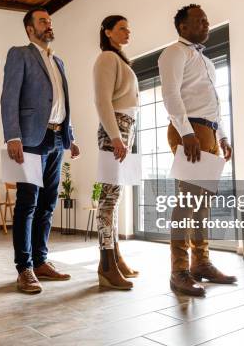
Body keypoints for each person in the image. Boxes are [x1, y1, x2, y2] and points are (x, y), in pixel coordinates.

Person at [158, 4, 237, 297]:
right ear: (183, 27)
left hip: (210, 132)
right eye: (200, 20)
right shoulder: (174, 53)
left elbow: (215, 103)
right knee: (187, 202)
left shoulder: (206, 61)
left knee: (203, 204)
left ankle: (201, 263)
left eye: (207, 20)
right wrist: (186, 132)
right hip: (189, 131)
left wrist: (224, 137)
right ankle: (178, 270)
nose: (206, 24)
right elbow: (170, 94)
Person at [1, 8, 80, 293]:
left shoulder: (58, 61)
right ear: (29, 29)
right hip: (32, 139)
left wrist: (71, 135)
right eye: (43, 21)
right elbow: (9, 97)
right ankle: (24, 268)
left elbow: (62, 103)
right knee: (28, 203)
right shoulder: (19, 54)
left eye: (50, 21)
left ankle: (41, 261)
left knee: (48, 203)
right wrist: (12, 136)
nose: (48, 25)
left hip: (57, 139)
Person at [93, 15, 140, 290]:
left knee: (116, 195)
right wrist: (115, 137)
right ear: (108, 32)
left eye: (128, 27)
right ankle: (106, 264)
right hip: (116, 130)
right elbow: (101, 101)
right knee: (108, 198)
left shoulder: (120, 60)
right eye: (122, 28)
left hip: (126, 129)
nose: (127, 31)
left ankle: (116, 257)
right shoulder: (106, 59)